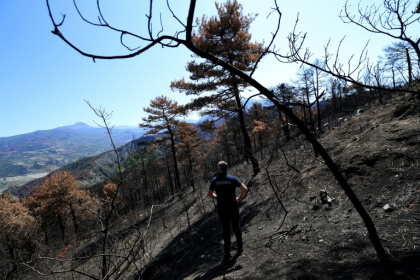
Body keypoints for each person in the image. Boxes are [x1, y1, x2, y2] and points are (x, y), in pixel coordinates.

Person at [208, 160, 248, 262]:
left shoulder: (215, 180)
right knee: (236, 227)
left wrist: (217, 197)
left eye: (218, 167)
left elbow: (210, 194)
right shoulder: (232, 179)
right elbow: (245, 189)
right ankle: (240, 248)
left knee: (226, 230)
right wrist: (240, 199)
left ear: (220, 169)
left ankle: (227, 253)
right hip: (233, 207)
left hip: (222, 209)